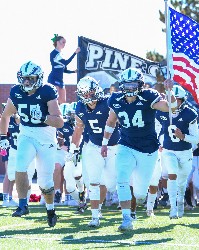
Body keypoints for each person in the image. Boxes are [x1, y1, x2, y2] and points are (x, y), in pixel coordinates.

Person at [101, 67, 177, 231]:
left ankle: (139, 204)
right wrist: (105, 142)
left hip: (148, 149)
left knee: (141, 193)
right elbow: (111, 121)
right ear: (121, 85)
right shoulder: (115, 99)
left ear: (140, 85)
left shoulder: (149, 96)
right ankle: (126, 218)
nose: (129, 88)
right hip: (126, 144)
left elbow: (170, 107)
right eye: (126, 85)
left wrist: (169, 91)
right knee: (121, 179)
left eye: (133, 85)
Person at [0, 61, 64, 227]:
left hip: (46, 135)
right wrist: (2, 137)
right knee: (20, 166)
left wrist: (43, 117)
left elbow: (59, 122)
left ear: (39, 78)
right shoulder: (16, 91)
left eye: (30, 78)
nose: (26, 82)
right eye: (24, 78)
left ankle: (50, 209)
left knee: (45, 181)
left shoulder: (47, 90)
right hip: (26, 132)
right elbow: (5, 115)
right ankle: (23, 204)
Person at [70, 76, 120, 227]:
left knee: (110, 184)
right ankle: (95, 215)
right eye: (84, 93)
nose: (88, 97)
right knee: (93, 181)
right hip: (93, 146)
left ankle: (100, 207)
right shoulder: (80, 107)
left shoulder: (108, 102)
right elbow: (79, 128)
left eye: (90, 92)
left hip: (113, 146)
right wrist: (74, 148)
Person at [160, 85, 199, 219]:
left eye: (177, 99)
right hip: (168, 150)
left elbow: (196, 139)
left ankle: (181, 201)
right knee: (172, 174)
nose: (174, 102)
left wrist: (183, 137)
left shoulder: (189, 113)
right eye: (172, 99)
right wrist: (159, 142)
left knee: (182, 182)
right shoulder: (162, 111)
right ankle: (173, 207)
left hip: (185, 151)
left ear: (183, 101)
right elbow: (155, 129)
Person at [48, 34, 81, 104]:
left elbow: (64, 69)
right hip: (54, 79)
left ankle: (61, 114)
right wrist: (75, 53)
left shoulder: (61, 55)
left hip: (60, 80)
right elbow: (66, 62)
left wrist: (73, 71)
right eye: (63, 42)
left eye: (65, 42)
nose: (64, 44)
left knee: (63, 101)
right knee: (55, 99)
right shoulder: (54, 53)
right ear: (57, 42)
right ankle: (53, 114)